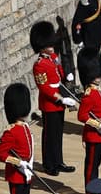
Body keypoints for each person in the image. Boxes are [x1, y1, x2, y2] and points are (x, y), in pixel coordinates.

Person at [32, 20, 78, 175]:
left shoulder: (52, 57)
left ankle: (59, 161)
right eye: (48, 44)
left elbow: (59, 71)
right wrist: (61, 98)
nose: (51, 47)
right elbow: (44, 87)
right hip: (50, 102)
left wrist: (68, 76)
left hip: (59, 98)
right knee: (50, 135)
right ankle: (49, 164)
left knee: (58, 134)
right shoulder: (39, 64)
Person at [0, 83, 35, 194]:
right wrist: (18, 162)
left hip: (26, 174)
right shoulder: (11, 131)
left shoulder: (25, 127)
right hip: (17, 175)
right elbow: (1, 154)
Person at [71, 0, 101, 85]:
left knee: (96, 60)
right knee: (91, 62)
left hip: (97, 35)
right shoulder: (86, 0)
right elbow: (77, 21)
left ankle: (98, 78)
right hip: (89, 36)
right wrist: (78, 39)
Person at [77, 71, 101, 188]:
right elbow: (81, 116)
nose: (98, 77)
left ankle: (95, 190)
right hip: (93, 135)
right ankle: (90, 192)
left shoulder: (97, 90)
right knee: (91, 166)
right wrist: (97, 124)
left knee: (96, 164)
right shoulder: (89, 94)